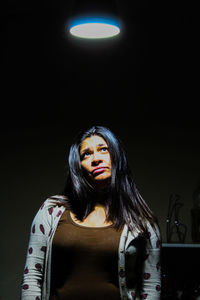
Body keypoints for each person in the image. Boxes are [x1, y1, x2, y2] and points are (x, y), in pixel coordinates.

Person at [21, 125, 161, 300]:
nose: (96, 159)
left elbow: (150, 286)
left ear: (117, 157)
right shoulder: (51, 211)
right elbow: (32, 278)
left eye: (103, 149)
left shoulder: (143, 222)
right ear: (78, 166)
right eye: (86, 154)